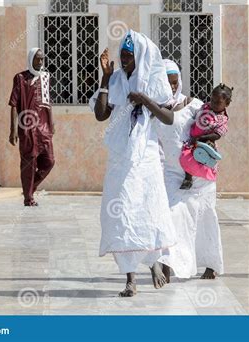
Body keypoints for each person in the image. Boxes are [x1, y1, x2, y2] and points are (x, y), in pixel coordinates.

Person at [89, 30, 177, 297]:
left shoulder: (153, 82)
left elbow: (169, 118)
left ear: (140, 57)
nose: (125, 61)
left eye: (129, 57)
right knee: (121, 215)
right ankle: (130, 278)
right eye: (123, 56)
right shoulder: (115, 80)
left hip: (146, 158)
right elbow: (100, 114)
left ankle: (153, 262)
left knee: (148, 211)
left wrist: (144, 99)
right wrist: (105, 78)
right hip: (120, 159)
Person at [157, 59, 224, 280]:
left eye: (175, 82)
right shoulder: (155, 111)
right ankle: (168, 263)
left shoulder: (195, 104)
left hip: (200, 174)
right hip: (172, 173)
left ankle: (210, 264)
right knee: (171, 215)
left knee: (205, 217)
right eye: (168, 82)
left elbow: (215, 123)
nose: (173, 87)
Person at [8, 48, 55, 207]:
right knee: (29, 163)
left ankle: (30, 188)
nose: (40, 62)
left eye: (42, 59)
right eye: (37, 59)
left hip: (43, 128)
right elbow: (14, 105)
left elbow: (48, 103)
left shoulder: (46, 77)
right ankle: (28, 198)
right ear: (31, 59)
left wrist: (52, 124)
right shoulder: (20, 78)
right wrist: (12, 130)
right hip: (26, 127)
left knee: (49, 161)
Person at [178, 84, 232, 190]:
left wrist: (202, 138)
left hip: (206, 141)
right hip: (193, 138)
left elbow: (217, 135)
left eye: (218, 102)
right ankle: (188, 178)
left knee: (202, 154)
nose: (214, 104)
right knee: (186, 157)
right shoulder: (206, 107)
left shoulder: (222, 119)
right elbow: (197, 115)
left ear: (227, 104)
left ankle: (207, 168)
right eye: (212, 100)